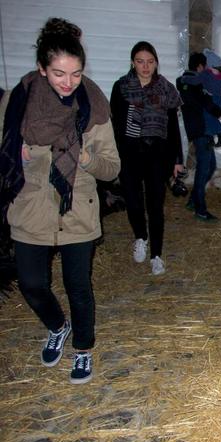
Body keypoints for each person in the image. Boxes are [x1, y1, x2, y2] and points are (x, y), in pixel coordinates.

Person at [0, 18, 120, 384]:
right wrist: (16, 158)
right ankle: (57, 326)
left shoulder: (94, 105)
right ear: (41, 69)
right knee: (32, 284)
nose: (68, 83)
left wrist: (86, 160)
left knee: (78, 287)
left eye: (76, 74)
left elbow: (112, 168)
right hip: (31, 208)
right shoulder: (16, 101)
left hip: (77, 210)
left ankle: (83, 350)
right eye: (58, 74)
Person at [111, 41, 183, 276]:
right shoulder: (121, 87)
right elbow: (115, 124)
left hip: (157, 154)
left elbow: (173, 127)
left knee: (155, 206)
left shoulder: (166, 89)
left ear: (156, 63)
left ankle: (156, 255)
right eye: (140, 61)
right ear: (133, 62)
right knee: (132, 201)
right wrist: (113, 153)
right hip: (130, 152)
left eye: (150, 61)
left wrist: (177, 159)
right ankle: (140, 237)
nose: (145, 66)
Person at [177, 52, 221, 222]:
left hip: (201, 130)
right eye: (205, 67)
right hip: (201, 130)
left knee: (210, 166)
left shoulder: (188, 82)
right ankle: (200, 210)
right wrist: (216, 110)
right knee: (204, 169)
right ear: (199, 66)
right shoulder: (190, 83)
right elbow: (202, 100)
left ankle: (193, 201)